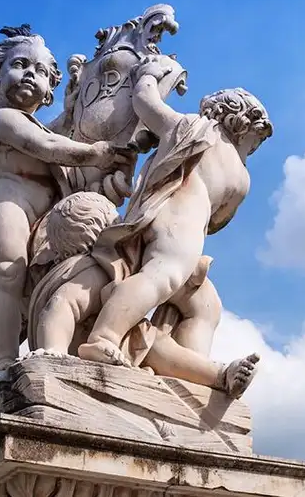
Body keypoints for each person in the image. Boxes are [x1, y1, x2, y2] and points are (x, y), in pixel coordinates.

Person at [0, 25, 133, 371]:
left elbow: (58, 131)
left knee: (34, 285)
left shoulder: (38, 124)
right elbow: (49, 146)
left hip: (45, 215)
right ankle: (3, 364)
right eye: (20, 65)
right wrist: (97, 153)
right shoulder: (1, 120)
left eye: (40, 72)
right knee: (7, 277)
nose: (29, 75)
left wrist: (75, 108)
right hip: (10, 207)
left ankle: (37, 339)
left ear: (49, 88)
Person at [77, 56, 273, 369]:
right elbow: (220, 220)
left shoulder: (192, 132)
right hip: (181, 221)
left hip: (183, 227)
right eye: (255, 142)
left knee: (205, 306)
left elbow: (146, 102)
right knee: (162, 276)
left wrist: (150, 77)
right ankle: (105, 336)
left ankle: (190, 372)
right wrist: (150, 74)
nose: (253, 150)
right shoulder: (203, 136)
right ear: (241, 122)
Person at [27, 192, 258, 398]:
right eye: (118, 222)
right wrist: (53, 350)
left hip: (113, 350)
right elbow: (61, 305)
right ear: (104, 229)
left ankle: (219, 375)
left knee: (155, 337)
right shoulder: (92, 271)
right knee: (153, 342)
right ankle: (220, 375)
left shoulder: (103, 270)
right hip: (91, 353)